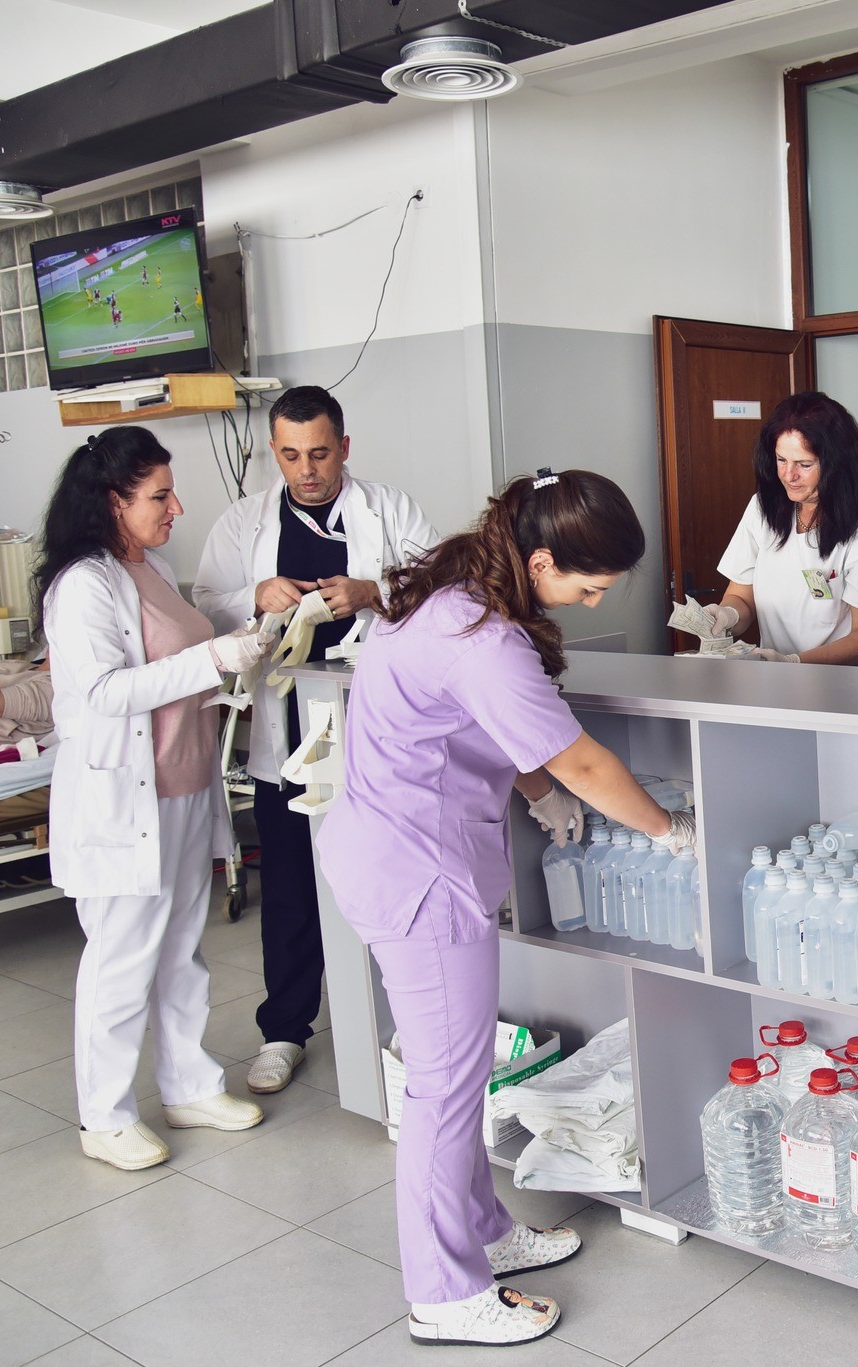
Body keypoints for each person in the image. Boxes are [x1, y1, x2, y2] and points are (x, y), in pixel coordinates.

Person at [317, 468, 694, 1347]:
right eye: (589, 586)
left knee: (454, 1073)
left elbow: (488, 728)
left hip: (397, 854)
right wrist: (667, 827)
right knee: (444, 1087)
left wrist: (535, 791)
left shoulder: (452, 598)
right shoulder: (485, 640)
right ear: (541, 560)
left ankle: (484, 1232)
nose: (593, 603)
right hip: (418, 878)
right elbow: (583, 762)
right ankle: (445, 1293)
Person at [36, 426, 280, 1172]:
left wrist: (247, 638)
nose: (176, 507)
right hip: (124, 801)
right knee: (122, 959)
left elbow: (181, 654)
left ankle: (189, 1086)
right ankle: (105, 1118)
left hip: (184, 787)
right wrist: (214, 656)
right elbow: (106, 691)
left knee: (180, 950)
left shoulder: (153, 567)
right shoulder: (83, 584)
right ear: (113, 501)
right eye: (160, 495)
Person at [195, 385, 436, 1096]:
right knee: (291, 887)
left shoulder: (390, 509)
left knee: (388, 882)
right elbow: (206, 607)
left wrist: (372, 591)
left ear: (345, 448)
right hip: (289, 729)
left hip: (376, 726)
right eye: (292, 455)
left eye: (321, 454)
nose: (307, 470)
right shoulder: (243, 523)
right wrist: (254, 597)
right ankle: (284, 1030)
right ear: (275, 452)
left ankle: (407, 1025)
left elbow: (440, 588)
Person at [690, 392, 858, 665]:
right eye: (781, 460)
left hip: (850, 683)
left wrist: (794, 662)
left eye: (804, 464)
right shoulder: (762, 509)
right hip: (780, 678)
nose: (789, 475)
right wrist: (727, 614)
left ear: (838, 465)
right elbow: (741, 596)